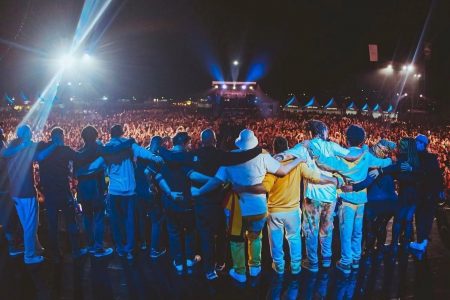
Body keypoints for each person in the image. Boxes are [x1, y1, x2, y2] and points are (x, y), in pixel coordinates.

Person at [192, 129, 305, 283]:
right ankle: (254, 268)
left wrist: (199, 192)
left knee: (236, 240)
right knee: (256, 236)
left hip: (238, 208)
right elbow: (283, 170)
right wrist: (299, 159)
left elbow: (216, 181)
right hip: (259, 208)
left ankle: (240, 272)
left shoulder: (231, 157)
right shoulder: (263, 155)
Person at [235, 136, 342, 276]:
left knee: (276, 241)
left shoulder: (272, 164)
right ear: (288, 148)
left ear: (274, 149)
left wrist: (243, 188)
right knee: (295, 239)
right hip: (292, 210)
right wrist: (333, 180)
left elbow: (265, 187)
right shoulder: (297, 163)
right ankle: (296, 267)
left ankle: (279, 267)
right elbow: (314, 176)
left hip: (274, 211)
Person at [276, 120, 365, 273]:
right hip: (330, 196)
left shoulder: (305, 146)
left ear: (310, 132)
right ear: (323, 131)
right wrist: (365, 149)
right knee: (327, 229)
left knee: (311, 229)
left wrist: (266, 159)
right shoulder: (331, 145)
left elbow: (283, 156)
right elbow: (351, 155)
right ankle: (326, 259)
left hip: (313, 196)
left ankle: (313, 262)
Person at [310, 125, 392, 273]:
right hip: (361, 200)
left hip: (347, 200)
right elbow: (383, 162)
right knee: (357, 231)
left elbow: (322, 162)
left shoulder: (343, 158)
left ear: (347, 141)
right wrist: (389, 161)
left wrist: (313, 150)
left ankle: (346, 262)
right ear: (362, 141)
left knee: (346, 233)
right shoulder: (366, 156)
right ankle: (355, 260)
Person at [86, 124, 164, 260]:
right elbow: (142, 152)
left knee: (116, 222)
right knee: (129, 221)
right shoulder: (129, 145)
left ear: (111, 134)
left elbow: (95, 165)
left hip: (114, 191)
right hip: (129, 192)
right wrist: (155, 158)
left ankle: (120, 249)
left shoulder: (108, 148)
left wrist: (84, 169)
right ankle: (129, 250)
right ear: (122, 133)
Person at [155, 132, 212, 274]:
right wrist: (214, 179)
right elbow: (193, 175)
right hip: (185, 203)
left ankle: (178, 262)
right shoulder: (186, 159)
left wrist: (169, 193)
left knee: (173, 232)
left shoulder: (165, 158)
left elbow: (159, 177)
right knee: (189, 232)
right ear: (185, 143)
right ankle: (189, 259)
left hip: (170, 203)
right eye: (189, 143)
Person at [0, 124, 53, 264]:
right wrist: (54, 146)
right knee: (31, 225)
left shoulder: (13, 145)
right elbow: (40, 157)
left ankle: (36, 248)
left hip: (15, 193)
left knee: (26, 224)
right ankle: (29, 256)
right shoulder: (24, 147)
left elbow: (4, 153)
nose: (31, 134)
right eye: (30, 132)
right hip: (26, 191)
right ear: (26, 134)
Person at [74, 125, 113, 257]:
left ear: (83, 138)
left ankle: (90, 245)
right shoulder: (100, 150)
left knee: (87, 218)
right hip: (96, 188)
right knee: (98, 217)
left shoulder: (79, 153)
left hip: (83, 190)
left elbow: (75, 173)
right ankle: (98, 248)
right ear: (96, 136)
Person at [410, 134, 445, 251]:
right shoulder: (431, 158)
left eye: (416, 142)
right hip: (430, 193)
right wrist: (440, 190)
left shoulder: (420, 158)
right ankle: (423, 242)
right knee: (426, 218)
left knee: (421, 217)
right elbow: (438, 175)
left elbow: (427, 174)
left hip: (424, 193)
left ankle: (421, 242)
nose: (414, 144)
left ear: (422, 144)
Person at [134, 135, 166, 258]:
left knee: (141, 218)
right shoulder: (155, 157)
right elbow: (147, 172)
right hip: (149, 193)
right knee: (156, 220)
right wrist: (151, 185)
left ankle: (143, 243)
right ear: (158, 144)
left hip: (138, 191)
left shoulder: (142, 152)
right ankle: (154, 250)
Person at [0, 128, 22, 256]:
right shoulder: (2, 147)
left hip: (4, 187)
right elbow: (6, 155)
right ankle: (13, 246)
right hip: (4, 188)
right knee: (8, 216)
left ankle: (12, 244)